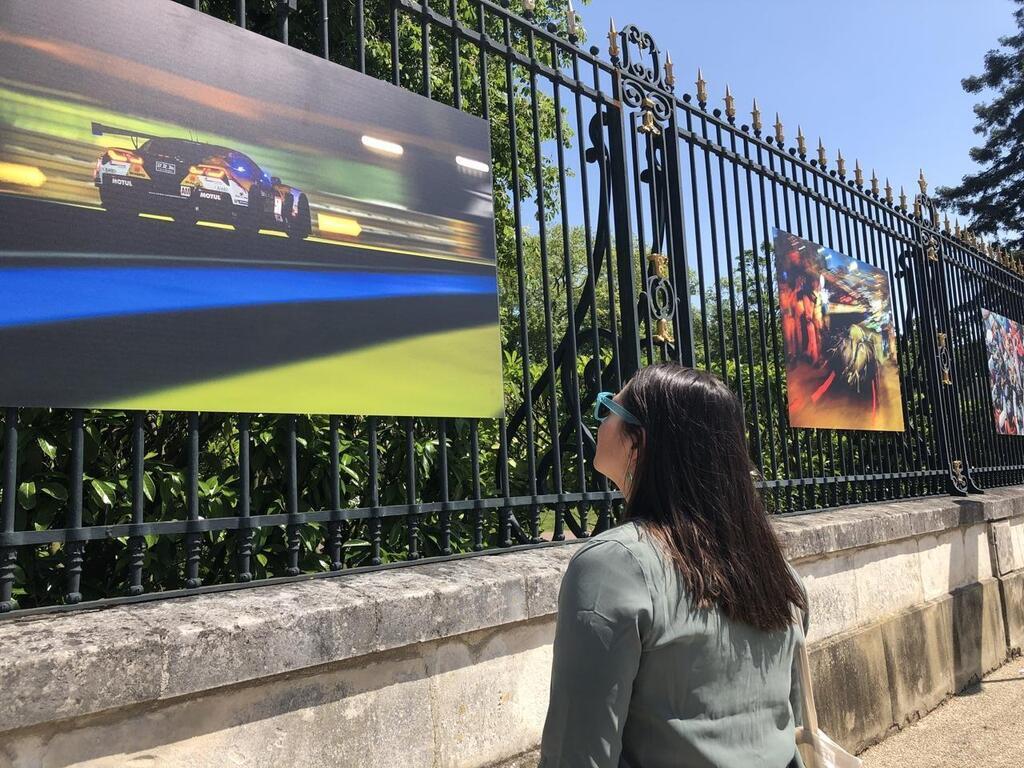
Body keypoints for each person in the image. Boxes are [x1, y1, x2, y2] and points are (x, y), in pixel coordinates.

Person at [539, 363, 810, 768]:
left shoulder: (613, 568)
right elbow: (789, 725)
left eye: (609, 408)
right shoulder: (779, 574)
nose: (599, 422)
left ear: (639, 444)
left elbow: (578, 755)